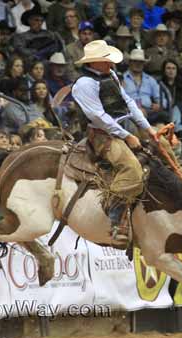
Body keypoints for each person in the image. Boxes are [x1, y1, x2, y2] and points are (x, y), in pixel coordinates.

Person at [71, 39, 157, 244]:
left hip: (120, 128)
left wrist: (147, 127)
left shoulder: (110, 76)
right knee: (132, 169)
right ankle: (113, 215)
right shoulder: (84, 84)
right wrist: (127, 135)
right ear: (95, 62)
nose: (111, 63)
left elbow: (127, 102)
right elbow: (98, 116)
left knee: (161, 147)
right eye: (106, 59)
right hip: (101, 135)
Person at [123, 49, 161, 118]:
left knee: (161, 126)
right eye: (135, 61)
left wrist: (158, 104)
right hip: (129, 112)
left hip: (149, 111)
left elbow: (160, 98)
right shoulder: (122, 79)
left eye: (140, 62)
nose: (138, 64)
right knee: (140, 113)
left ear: (144, 64)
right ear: (130, 62)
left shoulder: (150, 80)